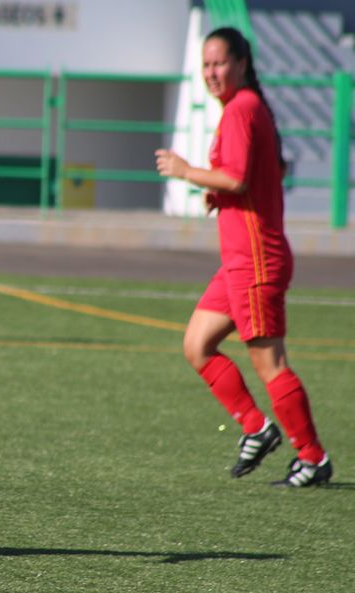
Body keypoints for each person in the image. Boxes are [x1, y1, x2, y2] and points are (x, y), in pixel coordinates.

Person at [155, 27, 331, 487]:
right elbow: (262, 174)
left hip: (255, 260)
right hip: (240, 259)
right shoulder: (248, 109)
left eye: (220, 63)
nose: (212, 73)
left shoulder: (241, 109)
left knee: (270, 363)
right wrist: (223, 195)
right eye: (206, 65)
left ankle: (312, 457)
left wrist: (185, 171)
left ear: (242, 64)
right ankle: (257, 427)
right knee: (197, 345)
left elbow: (235, 178)